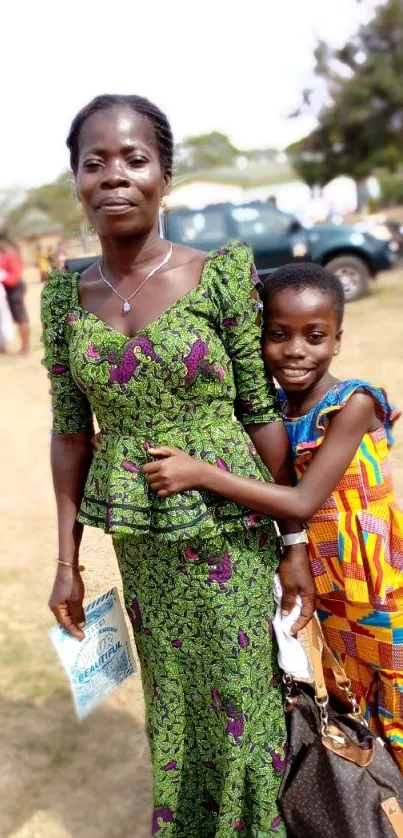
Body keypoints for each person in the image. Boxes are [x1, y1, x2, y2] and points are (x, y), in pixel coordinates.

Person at [41, 94, 314, 838]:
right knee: (174, 696)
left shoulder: (220, 276)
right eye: (94, 162)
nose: (115, 176)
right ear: (75, 181)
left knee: (241, 693)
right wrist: (67, 561)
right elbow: (71, 433)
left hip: (229, 523)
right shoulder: (67, 295)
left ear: (164, 175)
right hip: (142, 537)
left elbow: (261, 413)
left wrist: (294, 540)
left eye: (134, 159)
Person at [146, 263, 403, 771]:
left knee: (395, 696)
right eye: (278, 335)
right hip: (323, 584)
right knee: (350, 699)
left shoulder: (351, 404)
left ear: (337, 340)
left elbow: (302, 501)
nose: (295, 351)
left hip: (376, 582)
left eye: (314, 336)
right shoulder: (272, 409)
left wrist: (200, 474)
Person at [0, 237, 30, 355]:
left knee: (20, 318)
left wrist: (3, 276)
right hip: (5, 289)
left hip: (14, 289)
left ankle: (25, 347)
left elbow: (14, 278)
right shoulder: (4, 256)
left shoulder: (10, 255)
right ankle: (3, 346)